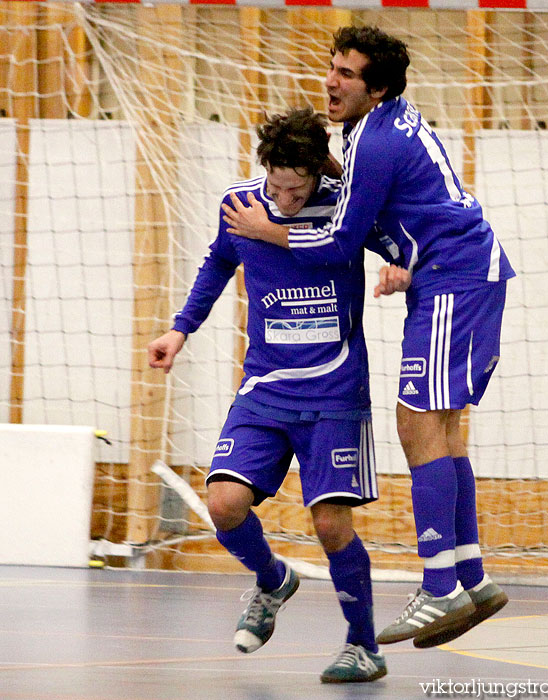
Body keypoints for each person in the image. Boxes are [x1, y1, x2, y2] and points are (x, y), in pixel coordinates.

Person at [222, 25, 515, 650]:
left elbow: (338, 240)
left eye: (347, 74)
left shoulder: (376, 141)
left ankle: (440, 589)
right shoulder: (381, 130)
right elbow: (378, 206)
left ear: (376, 87)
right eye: (331, 68)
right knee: (444, 426)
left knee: (418, 425)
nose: (330, 80)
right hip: (452, 276)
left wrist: (263, 229)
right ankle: (469, 575)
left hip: (454, 280)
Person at [148, 107, 411, 683]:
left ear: (318, 171)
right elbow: (218, 262)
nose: (286, 199)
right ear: (264, 168)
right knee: (222, 505)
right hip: (265, 387)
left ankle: (363, 645)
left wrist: (400, 268)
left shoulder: (348, 204)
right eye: (278, 187)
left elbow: (393, 243)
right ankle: (272, 580)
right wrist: (179, 329)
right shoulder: (241, 203)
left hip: (335, 390)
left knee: (331, 525)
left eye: (298, 189)